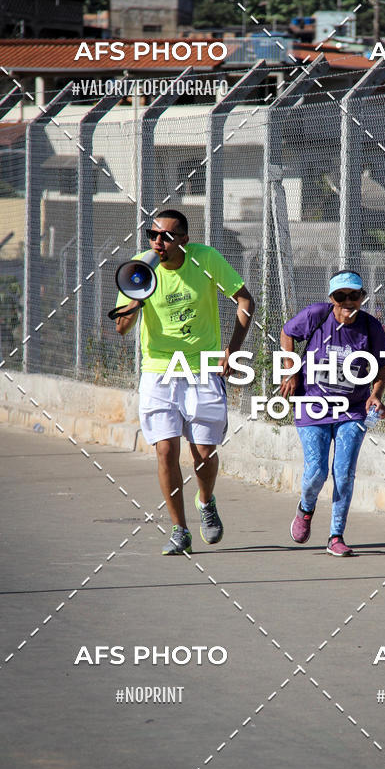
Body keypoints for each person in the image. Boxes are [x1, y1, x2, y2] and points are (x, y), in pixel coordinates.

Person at [114, 209, 254, 555]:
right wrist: (137, 295)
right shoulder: (139, 268)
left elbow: (245, 300)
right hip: (158, 369)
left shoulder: (205, 259)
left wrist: (232, 351)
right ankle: (180, 530)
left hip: (202, 368)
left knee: (203, 453)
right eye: (152, 235)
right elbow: (121, 328)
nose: (157, 242)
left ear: (184, 240)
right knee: (165, 451)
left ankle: (205, 500)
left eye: (165, 236)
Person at [280, 270, 385, 557]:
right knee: (316, 472)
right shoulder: (317, 315)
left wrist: (376, 395)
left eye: (354, 295)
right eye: (341, 296)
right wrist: (291, 371)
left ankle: (336, 536)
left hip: (352, 409)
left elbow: (382, 368)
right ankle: (306, 508)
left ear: (362, 297)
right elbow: (287, 333)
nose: (348, 301)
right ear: (332, 298)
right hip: (312, 405)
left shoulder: (371, 328)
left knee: (344, 473)